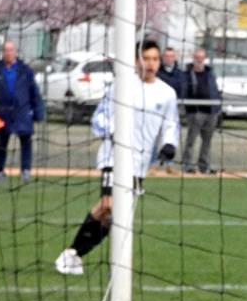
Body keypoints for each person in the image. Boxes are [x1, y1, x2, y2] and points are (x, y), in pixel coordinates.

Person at [54, 40, 179, 275]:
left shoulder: (167, 93)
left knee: (115, 216)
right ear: (136, 61)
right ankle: (72, 256)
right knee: (108, 204)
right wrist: (114, 131)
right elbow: (98, 118)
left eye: (155, 59)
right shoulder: (121, 87)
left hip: (139, 164)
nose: (150, 64)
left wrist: (169, 144)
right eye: (146, 58)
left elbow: (171, 124)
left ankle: (75, 254)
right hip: (114, 157)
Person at [0, 39, 45, 184]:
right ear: (2, 52)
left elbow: (34, 93)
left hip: (23, 112)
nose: (8, 53)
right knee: (2, 143)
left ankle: (25, 170)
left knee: (26, 140)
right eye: (6, 50)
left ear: (15, 52)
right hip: (3, 113)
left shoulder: (25, 70)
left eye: (11, 50)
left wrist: (38, 111)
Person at [182, 47, 221, 174]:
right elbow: (184, 92)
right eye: (197, 58)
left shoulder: (210, 74)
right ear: (193, 59)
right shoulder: (187, 75)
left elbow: (215, 91)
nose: (199, 60)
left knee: (207, 142)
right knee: (191, 140)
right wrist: (189, 109)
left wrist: (217, 108)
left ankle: (204, 166)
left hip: (211, 112)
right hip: (195, 112)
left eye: (202, 58)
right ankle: (187, 165)